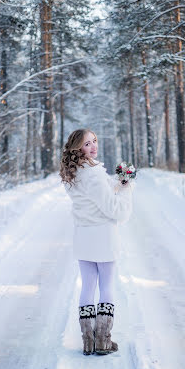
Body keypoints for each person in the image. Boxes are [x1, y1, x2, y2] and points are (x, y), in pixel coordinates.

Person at [59, 128, 134, 356]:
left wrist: (118, 182)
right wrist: (127, 188)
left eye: (94, 141)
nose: (93, 146)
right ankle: (103, 340)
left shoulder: (72, 173)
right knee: (107, 287)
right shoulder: (92, 173)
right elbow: (113, 208)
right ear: (77, 149)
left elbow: (98, 194)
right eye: (86, 144)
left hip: (83, 236)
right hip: (103, 236)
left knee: (88, 287)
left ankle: (88, 342)